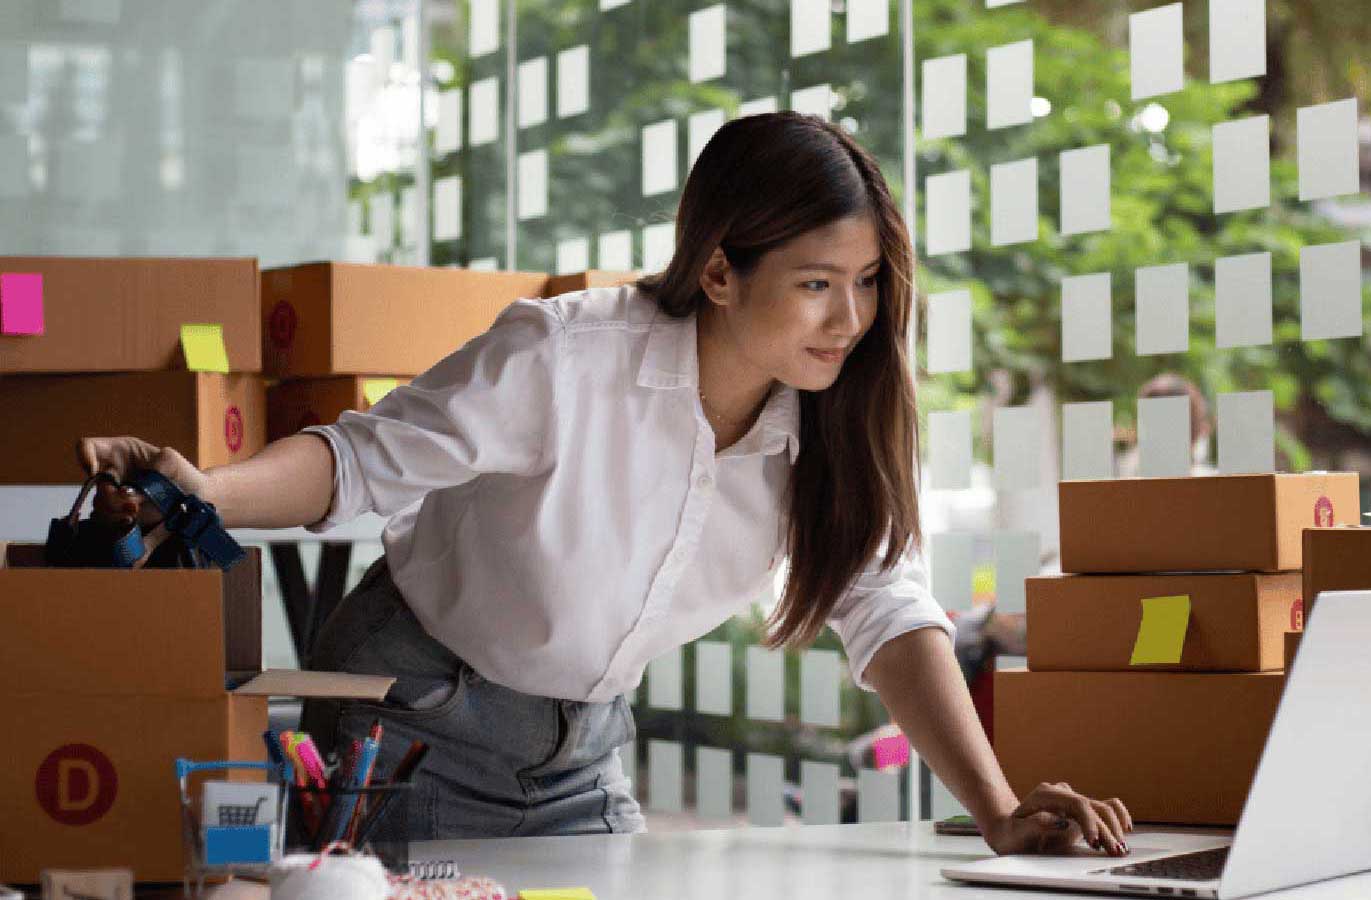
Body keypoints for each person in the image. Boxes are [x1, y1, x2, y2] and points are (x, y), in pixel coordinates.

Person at [78, 112, 1132, 856]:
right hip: (419, 732)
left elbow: (887, 607)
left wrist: (996, 812)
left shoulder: (840, 425)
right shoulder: (565, 358)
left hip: (586, 755)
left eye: (865, 285)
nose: (849, 321)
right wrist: (204, 489)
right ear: (720, 271)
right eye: (815, 284)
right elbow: (363, 459)